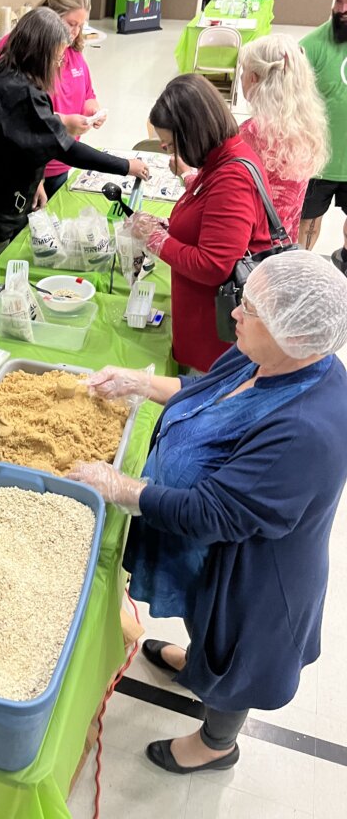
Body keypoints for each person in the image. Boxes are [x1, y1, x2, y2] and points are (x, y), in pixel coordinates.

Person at [71, 251, 347, 775]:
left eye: (249, 309)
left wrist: (120, 486)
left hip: (256, 575)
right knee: (203, 627)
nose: (235, 315)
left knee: (234, 657)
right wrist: (139, 383)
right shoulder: (264, 353)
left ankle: (217, 743)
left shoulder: (306, 431)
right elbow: (204, 393)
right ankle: (198, 663)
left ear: (295, 333)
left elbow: (213, 512)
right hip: (209, 555)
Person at [0, 8, 150, 296]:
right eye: (57, 57)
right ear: (39, 53)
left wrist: (34, 179)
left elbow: (19, 140)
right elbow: (65, 148)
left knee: (4, 275)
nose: (60, 64)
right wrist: (126, 166)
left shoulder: (12, 76)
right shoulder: (18, 92)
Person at [130, 74, 273, 373]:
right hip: (206, 321)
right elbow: (209, 212)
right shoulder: (224, 156)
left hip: (215, 337)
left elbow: (213, 265)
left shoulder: (232, 178)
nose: (169, 151)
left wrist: (157, 240)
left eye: (170, 145)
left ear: (193, 133)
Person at [0, 0, 107, 200]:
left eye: (81, 26)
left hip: (61, 161)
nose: (75, 32)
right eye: (71, 24)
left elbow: (87, 92)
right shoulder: (18, 53)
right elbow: (15, 114)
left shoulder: (72, 51)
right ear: (51, 16)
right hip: (26, 165)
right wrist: (64, 122)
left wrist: (91, 107)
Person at [238, 34, 329, 240]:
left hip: (252, 246)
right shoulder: (306, 125)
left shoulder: (252, 133)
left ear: (254, 78)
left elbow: (226, 195)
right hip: (284, 241)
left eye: (244, 71)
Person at [298, 0, 347, 271]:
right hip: (320, 162)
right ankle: (299, 271)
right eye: (339, 1)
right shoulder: (312, 45)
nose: (341, 9)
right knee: (306, 226)